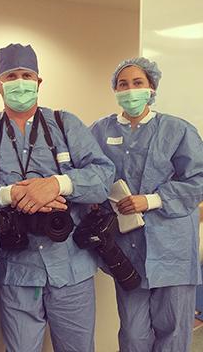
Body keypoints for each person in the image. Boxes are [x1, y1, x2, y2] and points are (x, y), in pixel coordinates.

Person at [0, 43, 115, 352]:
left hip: (71, 266)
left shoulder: (66, 124)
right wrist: (11, 194)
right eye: (11, 76)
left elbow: (103, 176)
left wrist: (59, 184)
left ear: (38, 82)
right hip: (17, 269)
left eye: (26, 75)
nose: (19, 82)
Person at [90, 57, 203, 352]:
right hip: (126, 248)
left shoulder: (178, 130)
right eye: (122, 84)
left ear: (151, 88)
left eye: (138, 83)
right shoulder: (100, 132)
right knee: (133, 333)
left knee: (174, 330)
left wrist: (151, 200)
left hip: (173, 247)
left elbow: (198, 179)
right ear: (114, 90)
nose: (130, 90)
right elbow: (89, 176)